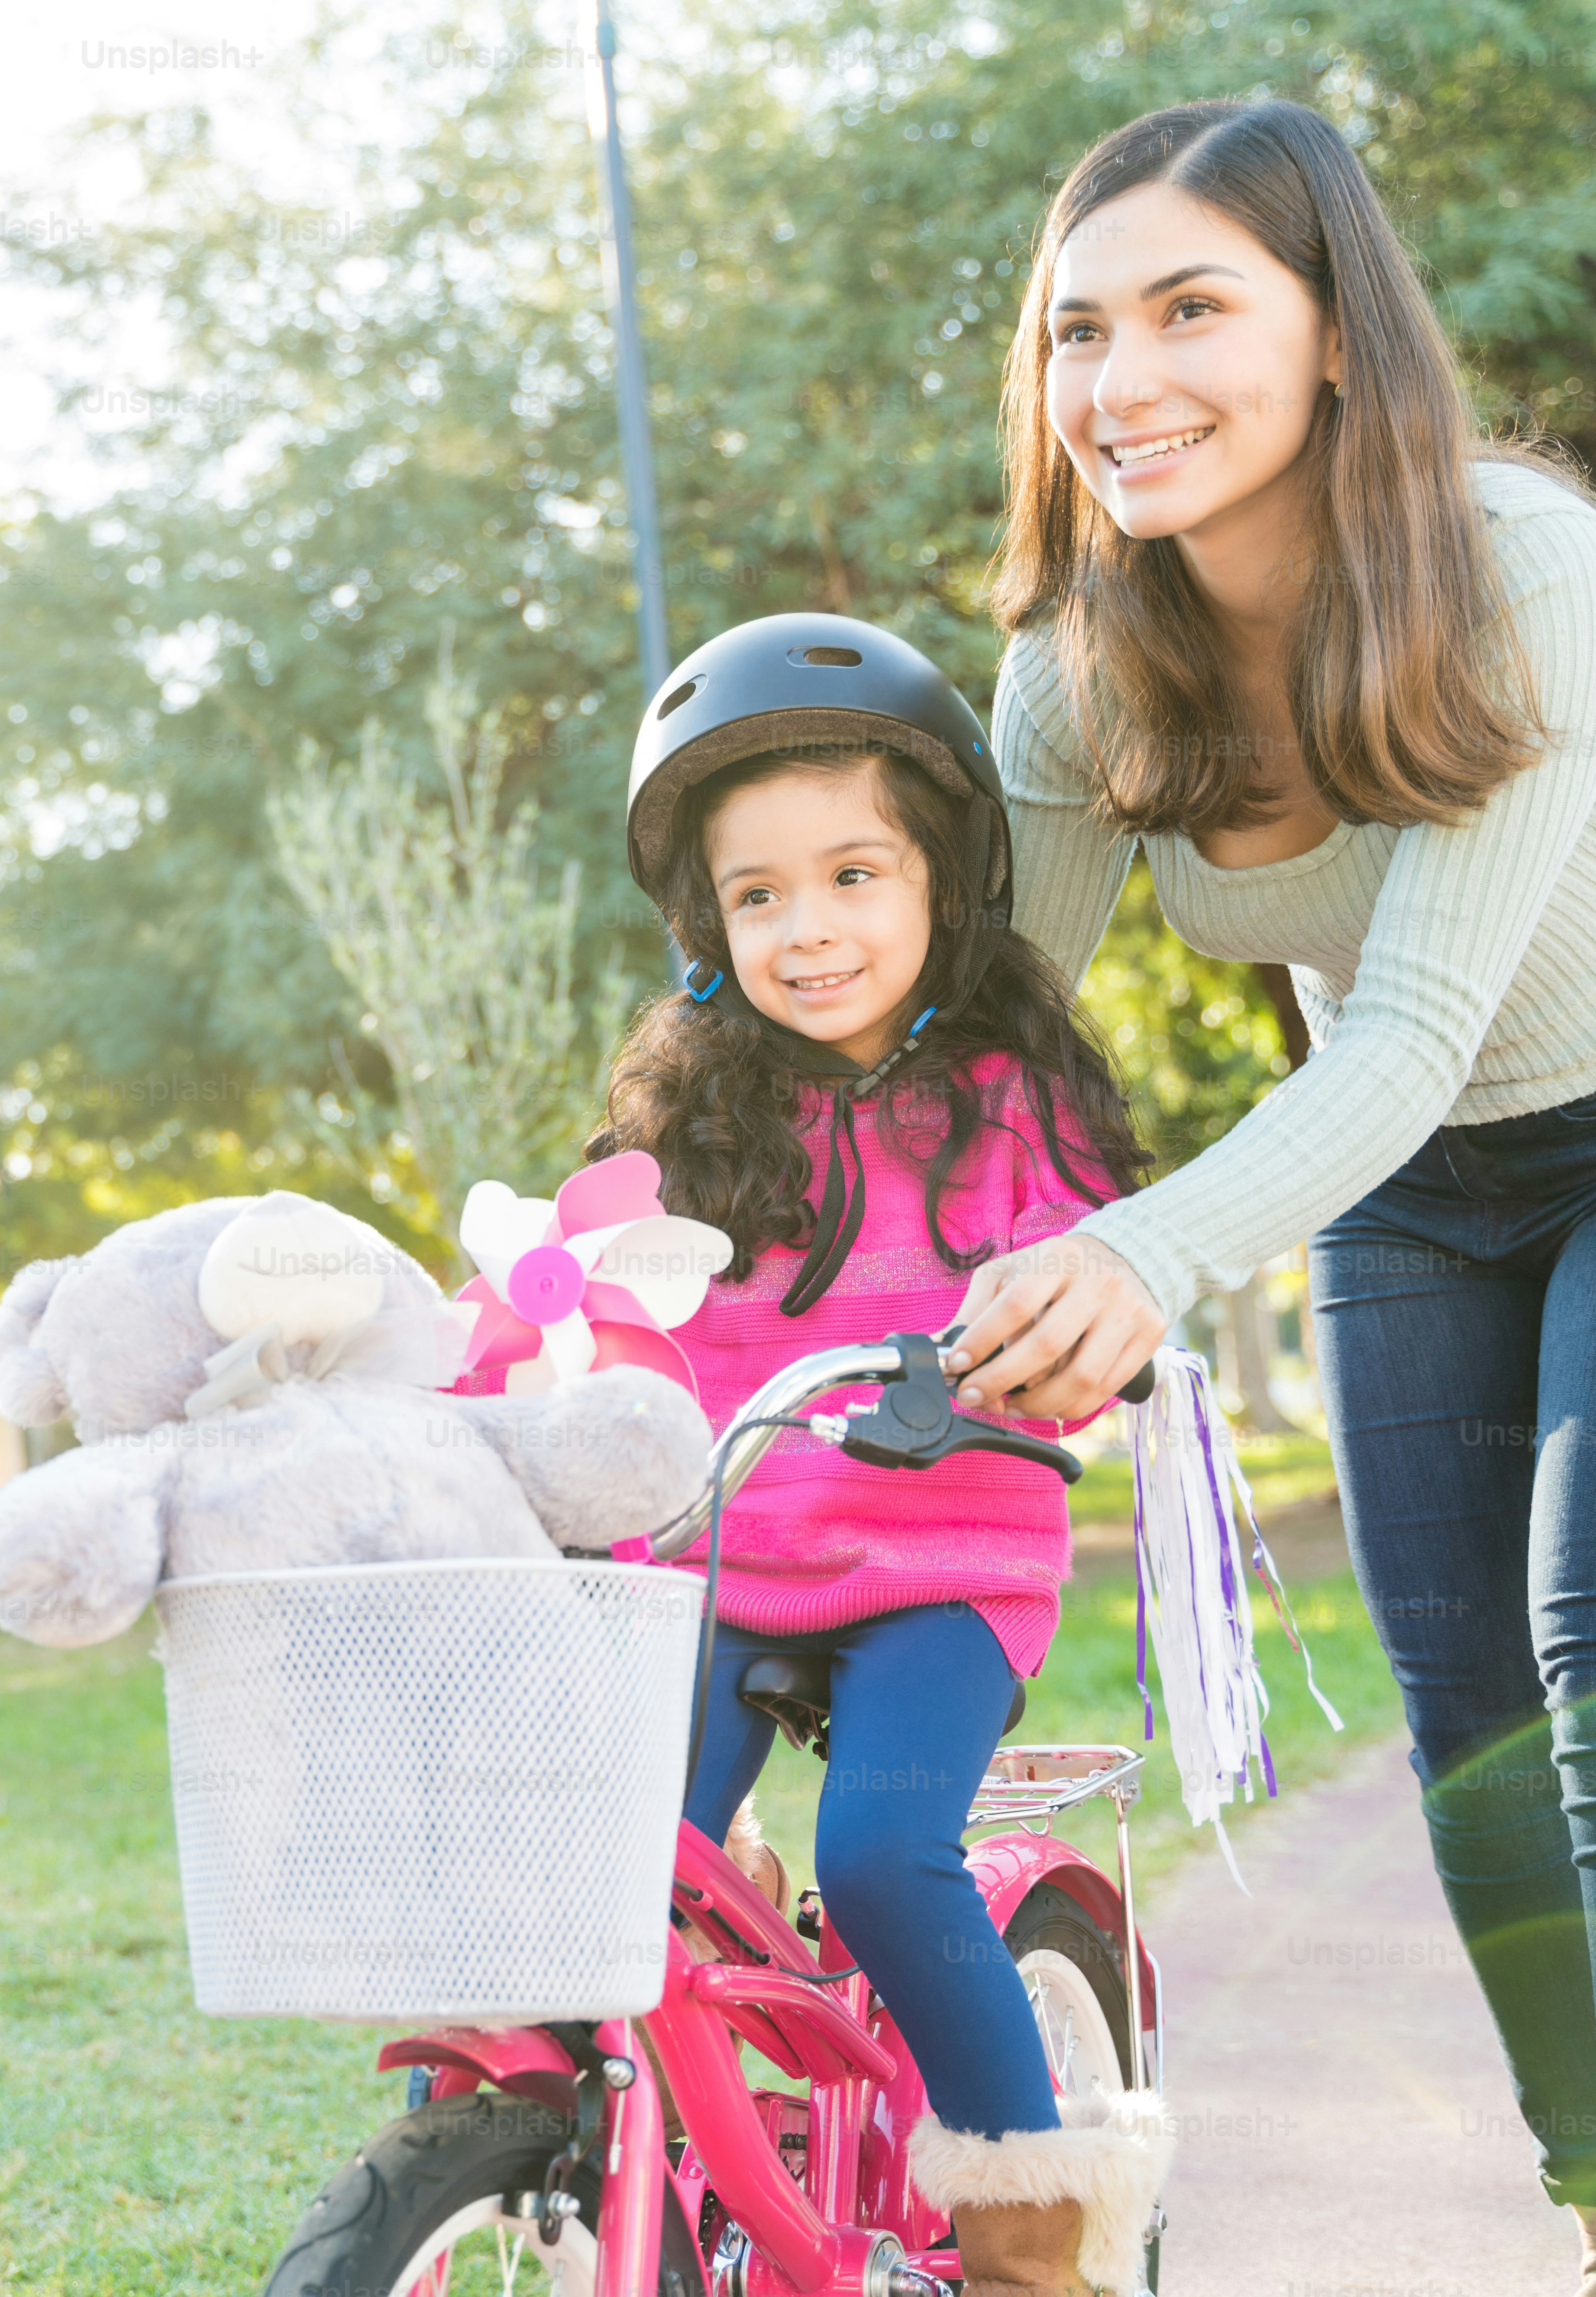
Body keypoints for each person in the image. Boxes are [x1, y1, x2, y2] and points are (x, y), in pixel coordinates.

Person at [935, 97, 1596, 2297]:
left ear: (1335, 333)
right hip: (1413, 1194)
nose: (1120, 380)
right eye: (1078, 331)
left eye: (1189, 310)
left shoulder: (1523, 566)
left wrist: (1141, 1253)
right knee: (1465, 1736)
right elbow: (986, 1047)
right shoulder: (1075, 671)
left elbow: (1411, 1024)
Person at [595, 611, 1170, 2297]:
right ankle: (605, 2165)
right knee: (600, 1858)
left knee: (881, 1853)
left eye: (851, 875)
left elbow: (1077, 1288)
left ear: (939, 881)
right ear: (709, 925)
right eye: (757, 895)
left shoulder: (1008, 1096)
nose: (807, 927)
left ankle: (1027, 2251)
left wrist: (1033, 1346)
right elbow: (615, 1310)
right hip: (722, 1562)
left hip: (938, 1572)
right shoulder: (693, 1112)